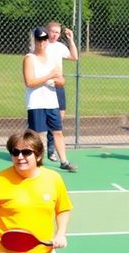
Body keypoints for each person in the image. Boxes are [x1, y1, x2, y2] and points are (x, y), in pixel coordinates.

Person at [24, 27, 77, 172]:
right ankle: (36, 163)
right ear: (35, 41)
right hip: (36, 103)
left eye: (44, 40)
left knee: (57, 131)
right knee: (37, 135)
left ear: (47, 41)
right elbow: (29, 82)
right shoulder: (29, 58)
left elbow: (61, 80)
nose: (42, 43)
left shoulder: (52, 59)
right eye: (39, 40)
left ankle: (64, 161)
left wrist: (57, 81)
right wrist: (48, 77)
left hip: (52, 102)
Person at [43, 21, 79, 163]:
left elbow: (74, 57)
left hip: (57, 86)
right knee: (39, 120)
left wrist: (70, 39)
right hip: (43, 85)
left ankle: (51, 149)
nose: (55, 35)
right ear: (47, 31)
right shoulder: (41, 45)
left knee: (58, 119)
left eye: (57, 32)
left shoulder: (60, 47)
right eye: (52, 31)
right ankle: (35, 147)